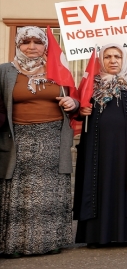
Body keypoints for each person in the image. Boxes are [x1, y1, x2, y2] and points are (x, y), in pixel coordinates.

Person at [0, 26, 78, 258]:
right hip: (18, 139)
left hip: (53, 137)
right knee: (18, 192)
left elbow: (75, 97)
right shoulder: (5, 71)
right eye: (26, 42)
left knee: (50, 191)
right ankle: (14, 245)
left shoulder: (59, 70)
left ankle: (49, 242)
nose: (32, 46)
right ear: (18, 45)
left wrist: (72, 102)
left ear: (46, 45)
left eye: (38, 42)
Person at [74, 44, 127, 250]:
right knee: (98, 183)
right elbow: (76, 107)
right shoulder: (91, 83)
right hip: (97, 146)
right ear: (101, 59)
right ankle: (97, 234)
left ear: (124, 58)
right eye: (108, 56)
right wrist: (80, 110)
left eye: (117, 56)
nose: (113, 60)